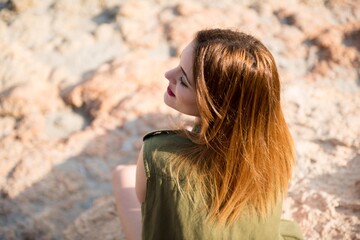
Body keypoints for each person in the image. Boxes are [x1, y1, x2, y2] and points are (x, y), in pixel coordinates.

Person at [112, 28, 303, 240]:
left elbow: (145, 203)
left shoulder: (158, 152)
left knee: (122, 174)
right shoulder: (274, 146)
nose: (168, 75)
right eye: (178, 65)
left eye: (183, 80)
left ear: (215, 103)